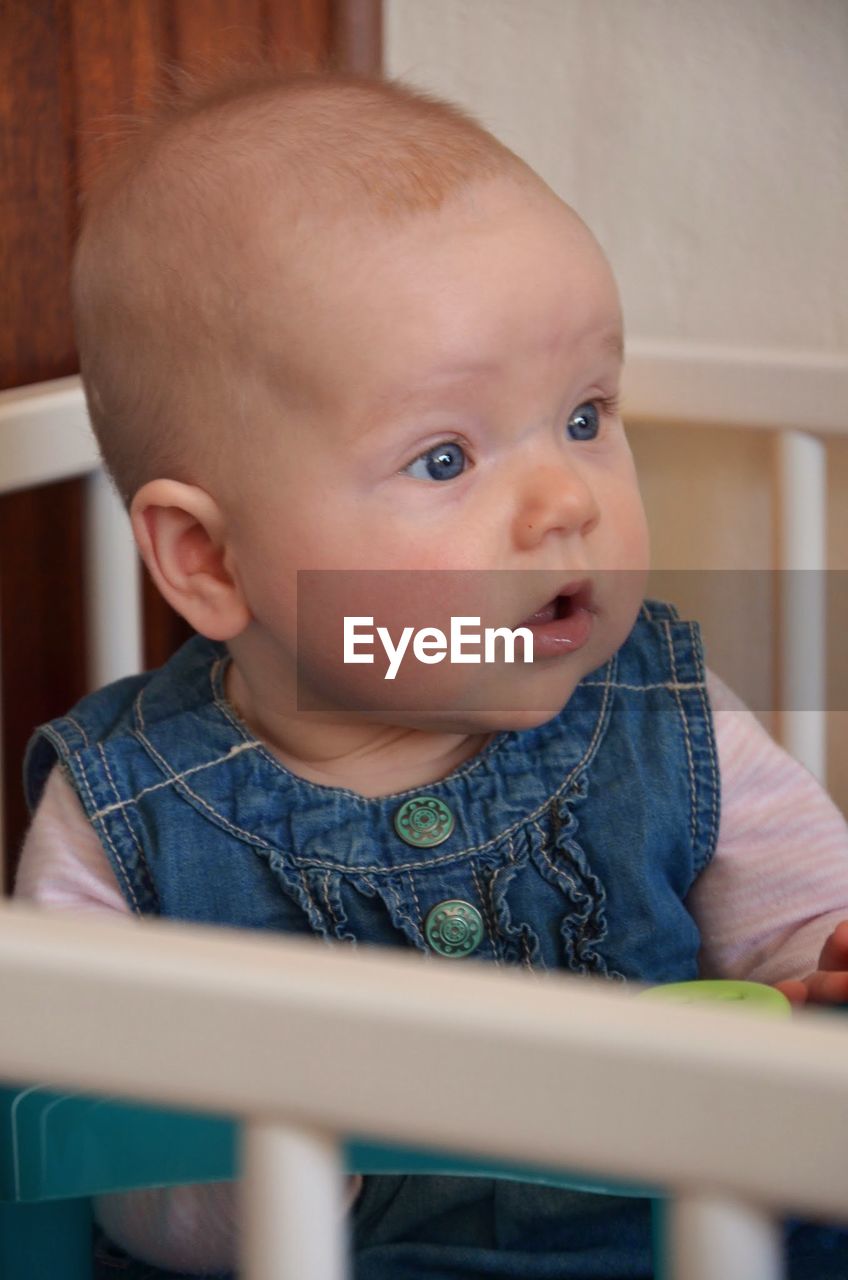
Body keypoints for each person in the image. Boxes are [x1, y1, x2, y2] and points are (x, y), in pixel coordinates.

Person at [13, 63, 848, 1280]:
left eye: (583, 414)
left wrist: (816, 970)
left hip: (700, 1238)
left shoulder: (663, 717)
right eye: (445, 455)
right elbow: (77, 1140)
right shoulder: (120, 811)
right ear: (208, 558)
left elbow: (798, 924)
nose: (566, 499)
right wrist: (294, 1152)